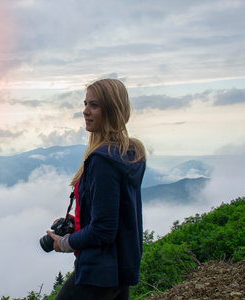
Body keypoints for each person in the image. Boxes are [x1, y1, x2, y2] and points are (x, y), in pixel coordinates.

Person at [46, 78, 146, 300]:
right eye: (85, 104)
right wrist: (76, 223)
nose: (85, 111)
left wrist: (63, 242)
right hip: (121, 268)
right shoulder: (129, 153)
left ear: (112, 110)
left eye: (94, 105)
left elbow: (103, 229)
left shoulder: (102, 161)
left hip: (99, 271)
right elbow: (113, 214)